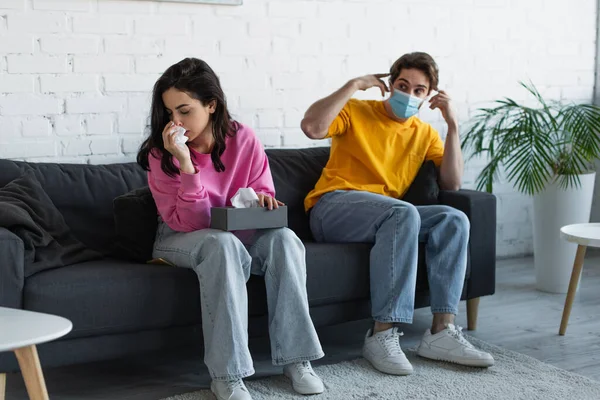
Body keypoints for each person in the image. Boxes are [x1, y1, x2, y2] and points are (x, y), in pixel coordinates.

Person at [137, 58, 325, 400]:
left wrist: (264, 201)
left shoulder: (244, 139)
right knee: (221, 246)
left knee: (285, 239)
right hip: (178, 236)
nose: (176, 122)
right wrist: (186, 163)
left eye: (184, 110)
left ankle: (298, 360)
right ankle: (227, 373)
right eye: (169, 113)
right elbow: (189, 223)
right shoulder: (160, 154)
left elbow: (262, 190)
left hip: (237, 232)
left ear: (211, 105)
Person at [300, 52, 494, 375]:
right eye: (403, 85)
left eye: (419, 90)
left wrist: (453, 125)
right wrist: (352, 85)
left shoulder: (423, 134)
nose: (410, 94)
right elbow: (311, 127)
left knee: (453, 219)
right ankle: (382, 334)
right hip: (332, 207)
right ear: (390, 85)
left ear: (429, 96)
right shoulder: (357, 111)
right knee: (403, 214)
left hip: (386, 216)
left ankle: (441, 332)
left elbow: (453, 182)